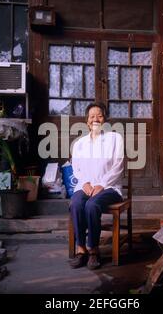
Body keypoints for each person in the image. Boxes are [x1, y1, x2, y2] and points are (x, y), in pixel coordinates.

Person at [69, 102, 124, 270]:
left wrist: (103, 184)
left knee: (92, 205)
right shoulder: (79, 144)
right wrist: (84, 182)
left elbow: (119, 165)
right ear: (87, 121)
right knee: (76, 204)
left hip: (110, 188)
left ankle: (93, 249)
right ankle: (81, 249)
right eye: (92, 116)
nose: (95, 119)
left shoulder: (115, 139)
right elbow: (76, 167)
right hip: (85, 186)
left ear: (105, 119)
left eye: (99, 115)